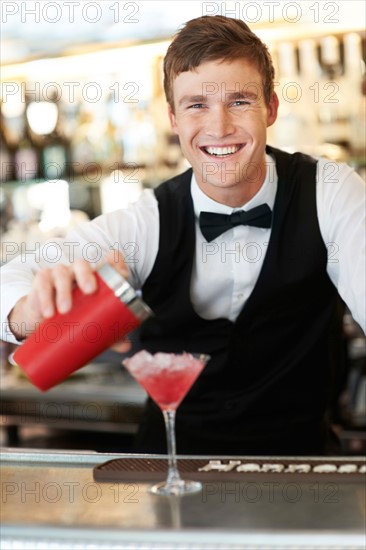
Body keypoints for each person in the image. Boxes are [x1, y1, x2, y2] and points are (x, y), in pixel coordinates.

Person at [1, 16, 365, 456]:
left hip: (297, 466)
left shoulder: (329, 191)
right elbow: (12, 278)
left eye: (240, 101)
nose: (219, 126)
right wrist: (31, 310)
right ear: (173, 119)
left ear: (270, 107)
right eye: (197, 105)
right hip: (168, 468)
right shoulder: (147, 221)